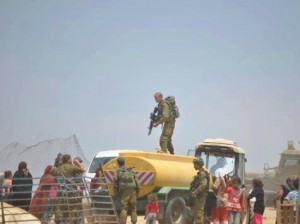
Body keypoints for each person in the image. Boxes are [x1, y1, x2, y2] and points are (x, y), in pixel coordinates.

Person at [59, 154, 85, 224]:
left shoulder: (60, 167)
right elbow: (83, 170)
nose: (80, 163)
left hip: (65, 191)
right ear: (69, 160)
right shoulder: (72, 168)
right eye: (79, 162)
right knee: (75, 208)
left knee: (68, 208)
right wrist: (78, 163)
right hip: (72, 191)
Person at [113, 157, 140, 224]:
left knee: (124, 208)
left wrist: (115, 193)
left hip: (123, 191)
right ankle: (134, 222)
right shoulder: (130, 170)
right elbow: (137, 181)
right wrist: (138, 191)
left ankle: (123, 222)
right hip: (132, 190)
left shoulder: (118, 171)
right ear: (124, 162)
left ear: (118, 164)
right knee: (133, 207)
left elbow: (114, 183)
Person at [191, 158, 209, 224]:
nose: (194, 166)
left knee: (199, 213)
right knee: (196, 213)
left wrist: (196, 192)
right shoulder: (199, 174)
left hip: (200, 196)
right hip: (198, 196)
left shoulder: (203, 174)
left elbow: (203, 185)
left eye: (195, 164)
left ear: (198, 164)